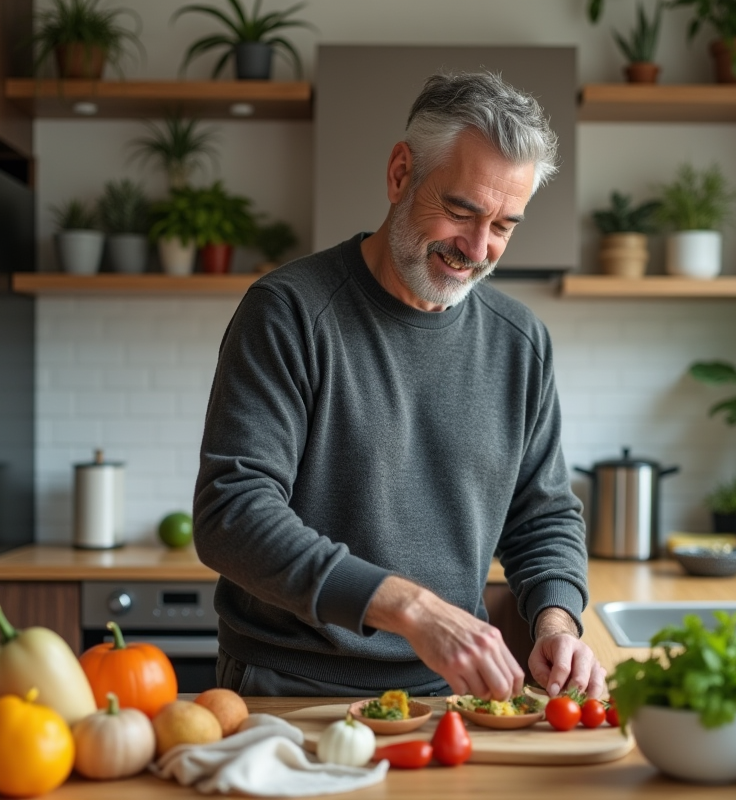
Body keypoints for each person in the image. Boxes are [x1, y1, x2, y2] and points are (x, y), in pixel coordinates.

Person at [193, 71, 605, 702]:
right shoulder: (289, 312)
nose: (477, 248)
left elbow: (542, 515)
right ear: (399, 174)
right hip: (290, 686)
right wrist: (410, 607)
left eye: (504, 225)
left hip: (447, 693)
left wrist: (557, 619)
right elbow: (232, 511)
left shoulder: (519, 342)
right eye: (461, 211)